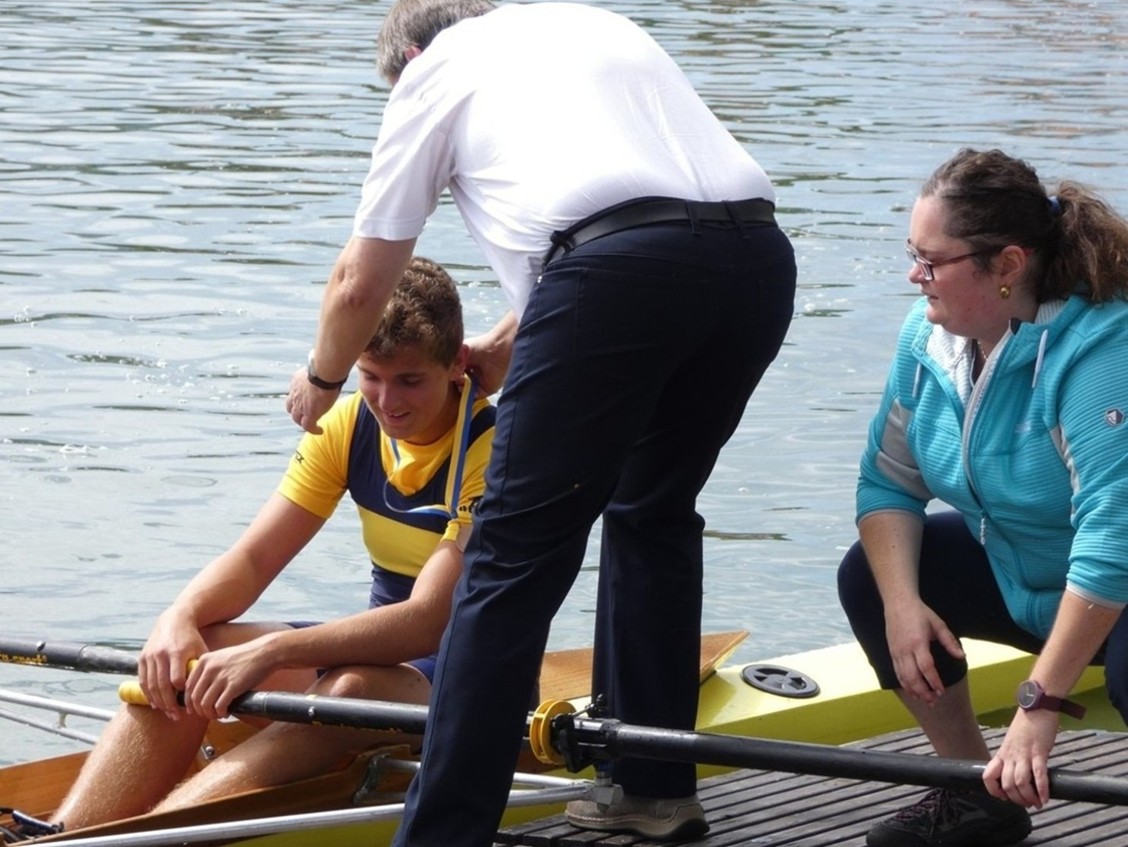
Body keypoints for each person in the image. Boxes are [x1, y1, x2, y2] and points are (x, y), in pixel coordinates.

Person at [284, 2, 796, 844]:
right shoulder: (587, 24)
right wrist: (504, 342)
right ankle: (654, 788)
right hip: (757, 261)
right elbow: (648, 222)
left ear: (410, 56)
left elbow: (359, 283)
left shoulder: (432, 71)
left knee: (508, 561)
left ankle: (442, 834)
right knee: (652, 512)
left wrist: (322, 379)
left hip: (620, 276)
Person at [35, 257, 494, 835]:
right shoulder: (348, 424)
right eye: (370, 376)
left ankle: (148, 837)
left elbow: (427, 621)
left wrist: (274, 651)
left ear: (457, 364)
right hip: (380, 663)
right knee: (195, 652)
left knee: (349, 691)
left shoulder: (493, 451)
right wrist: (179, 617)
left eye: (410, 380)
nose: (387, 400)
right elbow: (254, 560)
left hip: (471, 679)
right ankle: (60, 834)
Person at [837, 148, 1128, 847]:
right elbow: (887, 483)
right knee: (871, 575)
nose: (915, 276)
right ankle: (974, 794)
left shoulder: (1101, 353)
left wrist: (1040, 701)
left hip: (1116, 587)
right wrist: (901, 606)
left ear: (1007, 265)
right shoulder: (926, 338)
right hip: (1029, 576)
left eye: (931, 261)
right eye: (913, 255)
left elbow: (1112, 541)